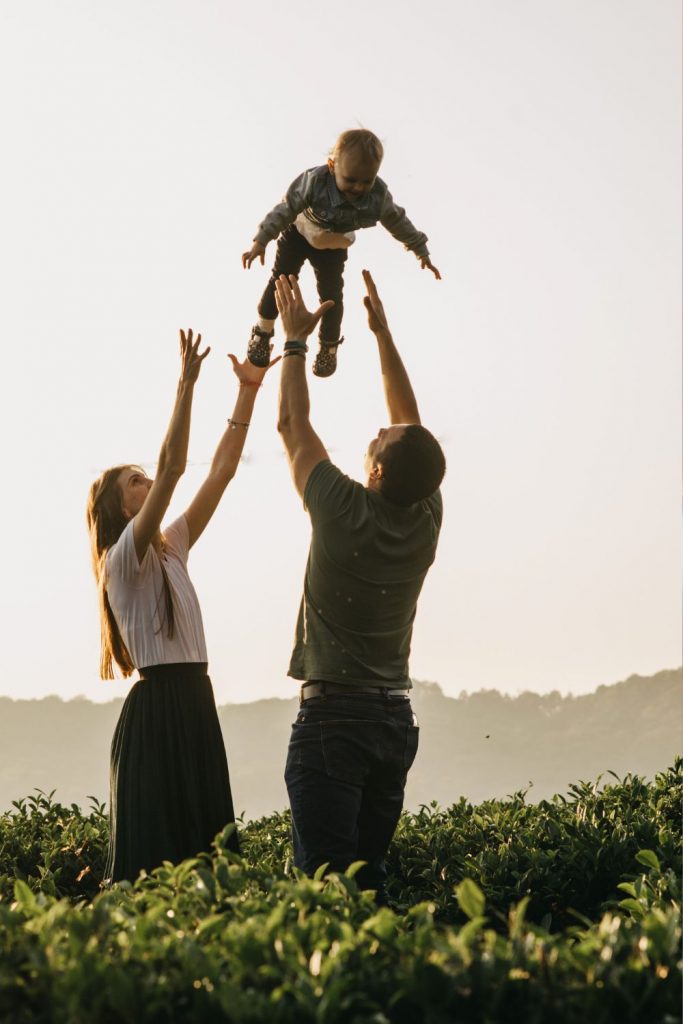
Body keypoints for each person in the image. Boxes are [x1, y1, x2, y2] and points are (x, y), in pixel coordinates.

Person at [274, 270, 445, 901]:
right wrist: (382, 335)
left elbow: (292, 425)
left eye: (378, 439)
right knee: (369, 887)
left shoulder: (341, 507)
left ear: (375, 471)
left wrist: (295, 342)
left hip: (335, 720)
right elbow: (411, 428)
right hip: (393, 721)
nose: (377, 429)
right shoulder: (425, 514)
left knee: (324, 893)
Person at [86, 329, 276, 883]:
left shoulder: (171, 546)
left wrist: (248, 390)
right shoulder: (122, 558)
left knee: (210, 864)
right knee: (157, 869)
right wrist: (186, 385)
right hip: (159, 714)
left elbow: (222, 471)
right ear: (120, 508)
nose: (149, 482)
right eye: (136, 481)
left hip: (195, 702)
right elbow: (174, 469)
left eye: (145, 477)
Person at [242, 128, 441, 378]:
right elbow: (287, 207)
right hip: (300, 232)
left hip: (333, 245)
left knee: (332, 295)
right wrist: (261, 240)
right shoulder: (315, 181)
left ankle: (329, 345)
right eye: (350, 180)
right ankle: (263, 329)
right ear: (332, 166)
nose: (358, 188)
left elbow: (398, 222)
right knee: (282, 278)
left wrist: (420, 250)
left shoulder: (378, 198)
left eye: (366, 181)